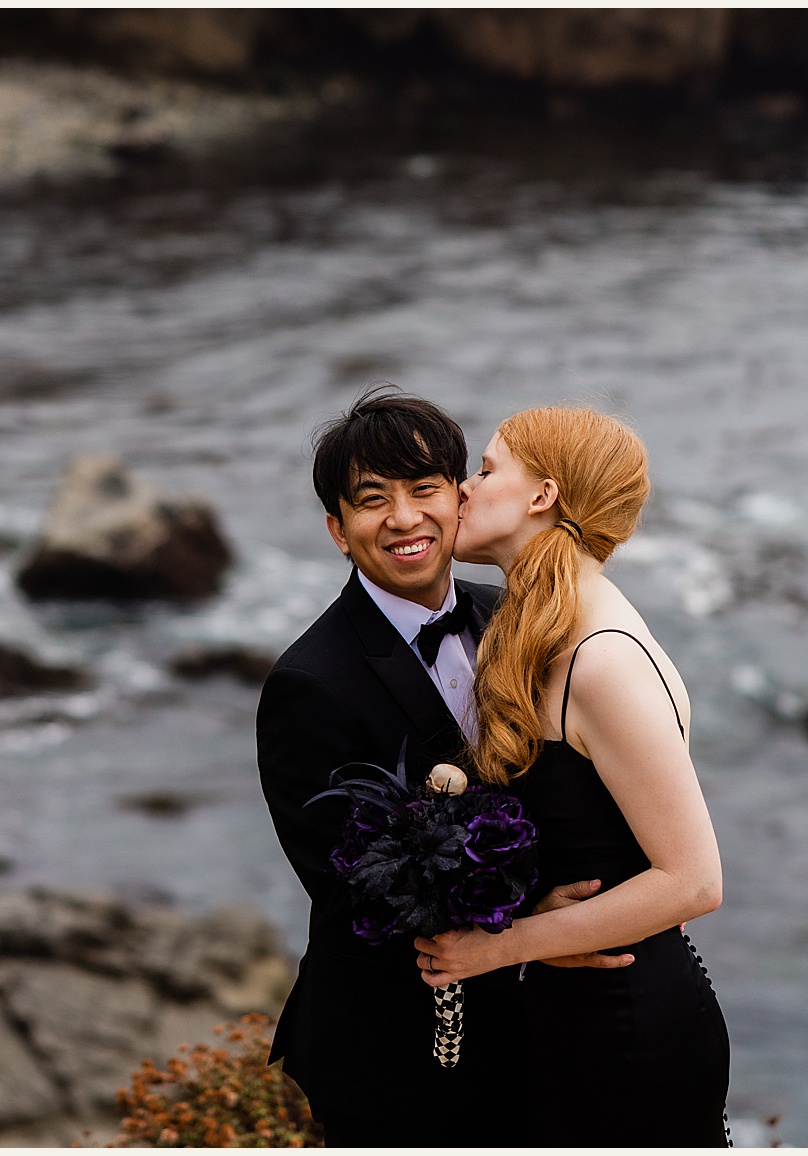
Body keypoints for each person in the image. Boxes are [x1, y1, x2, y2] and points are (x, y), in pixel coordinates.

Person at [256, 389, 621, 1145]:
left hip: (539, 1039)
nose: (403, 518)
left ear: (461, 499)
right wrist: (534, 929)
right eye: (371, 500)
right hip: (393, 1062)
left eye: (424, 489)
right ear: (337, 529)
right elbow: (354, 887)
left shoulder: (517, 616)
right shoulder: (309, 684)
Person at [410, 405, 733, 1145]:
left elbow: (693, 883)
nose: (462, 490)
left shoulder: (604, 658)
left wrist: (500, 946)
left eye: (486, 470)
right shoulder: (546, 633)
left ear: (542, 496)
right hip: (571, 1013)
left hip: (627, 1028)